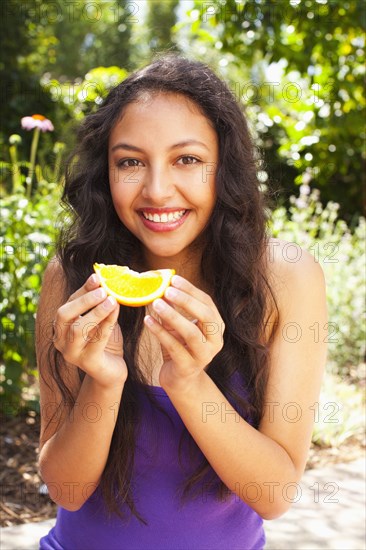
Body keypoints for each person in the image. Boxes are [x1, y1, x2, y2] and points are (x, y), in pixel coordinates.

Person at [36, 54, 328, 550]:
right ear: (105, 173)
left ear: (225, 168)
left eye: (186, 159)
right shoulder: (71, 280)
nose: (156, 189)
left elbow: (275, 495)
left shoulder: (285, 277)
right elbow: (65, 489)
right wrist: (104, 384)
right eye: (130, 162)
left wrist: (189, 385)